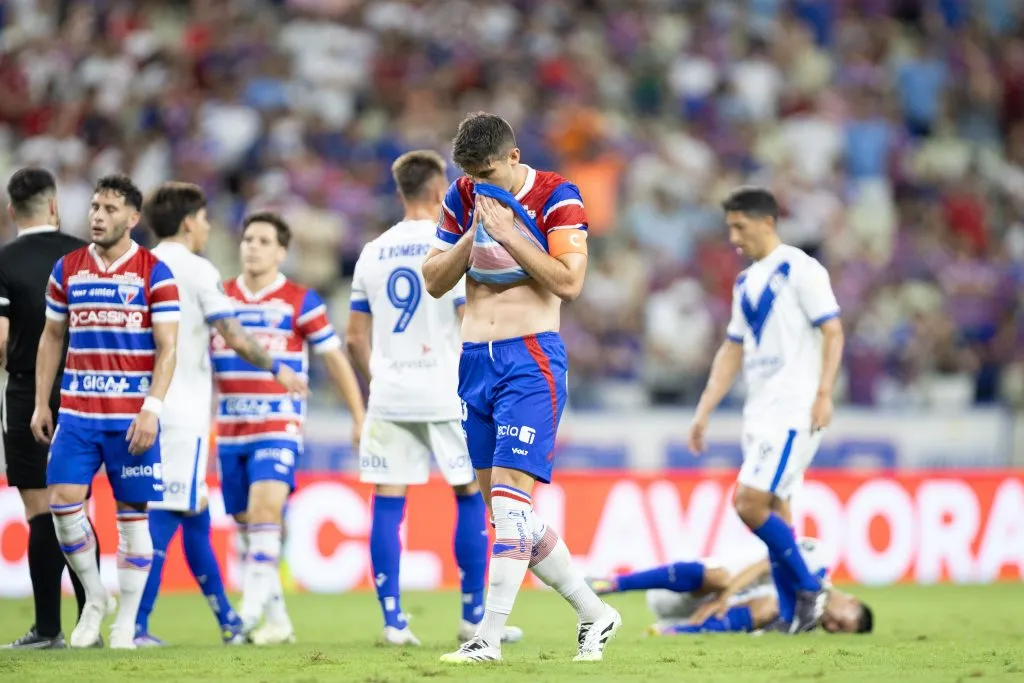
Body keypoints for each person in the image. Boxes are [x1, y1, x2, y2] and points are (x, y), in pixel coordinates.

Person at [422, 112, 619, 663]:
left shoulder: (557, 195)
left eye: (488, 173)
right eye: (471, 175)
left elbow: (570, 282)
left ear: (513, 157)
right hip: (474, 363)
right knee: (509, 518)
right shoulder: (464, 194)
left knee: (512, 508)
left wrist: (509, 233)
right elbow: (433, 281)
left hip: (529, 359)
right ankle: (594, 612)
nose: (479, 184)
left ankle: (486, 638)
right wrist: (472, 235)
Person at [346, 150, 521, 647]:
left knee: (388, 500)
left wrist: (382, 378)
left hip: (390, 394)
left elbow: (354, 337)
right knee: (468, 493)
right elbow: (470, 317)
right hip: (447, 391)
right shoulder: (448, 245)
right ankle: (472, 617)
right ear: (437, 189)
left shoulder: (372, 251)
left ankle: (393, 622)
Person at [133, 182, 308, 647]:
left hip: (138, 404)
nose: (209, 227)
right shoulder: (197, 270)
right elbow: (231, 333)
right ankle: (134, 624)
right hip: (180, 409)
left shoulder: (137, 264)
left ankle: (232, 622)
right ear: (189, 222)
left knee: (195, 514)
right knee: (167, 512)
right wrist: (277, 367)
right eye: (205, 219)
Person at [31, 173, 180, 649]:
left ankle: (125, 625)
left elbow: (168, 348)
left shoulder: (155, 272)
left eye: (110, 209)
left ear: (133, 218)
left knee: (132, 516)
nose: (97, 216)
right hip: (77, 413)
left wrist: (151, 409)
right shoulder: (67, 268)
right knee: (62, 503)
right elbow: (52, 336)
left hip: (131, 419)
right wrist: (41, 402)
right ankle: (95, 596)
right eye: (95, 207)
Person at [687, 187, 845, 633]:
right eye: (730, 228)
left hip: (794, 407)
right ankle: (792, 615)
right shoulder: (745, 282)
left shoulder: (801, 268)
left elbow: (833, 330)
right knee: (777, 508)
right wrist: (704, 409)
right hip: (759, 410)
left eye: (740, 227)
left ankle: (810, 585)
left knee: (748, 502)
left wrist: (824, 392)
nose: (734, 238)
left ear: (768, 222)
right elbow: (732, 348)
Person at [213, 211, 365, 644]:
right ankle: (277, 620)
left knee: (265, 511)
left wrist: (358, 415)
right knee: (246, 523)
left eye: (263, 241)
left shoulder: (300, 300)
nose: (252, 247)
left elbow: (334, 357)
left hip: (278, 422)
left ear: (281, 252)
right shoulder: (219, 297)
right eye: (248, 239)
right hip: (230, 427)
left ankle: (246, 614)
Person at [0, 167, 100, 649]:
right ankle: (89, 623)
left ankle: (47, 630)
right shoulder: (84, 256)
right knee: (76, 506)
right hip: (85, 389)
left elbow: (1, 340)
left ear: (11, 211)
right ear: (55, 206)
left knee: (41, 509)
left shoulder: (4, 260)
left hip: (26, 391)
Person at [587, 537, 872, 636]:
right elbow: (765, 564)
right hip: (683, 590)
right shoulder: (816, 559)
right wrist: (724, 597)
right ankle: (615, 583)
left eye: (835, 631)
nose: (830, 626)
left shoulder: (803, 621)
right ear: (852, 602)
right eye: (841, 623)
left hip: (704, 619)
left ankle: (671, 632)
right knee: (721, 577)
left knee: (771, 607)